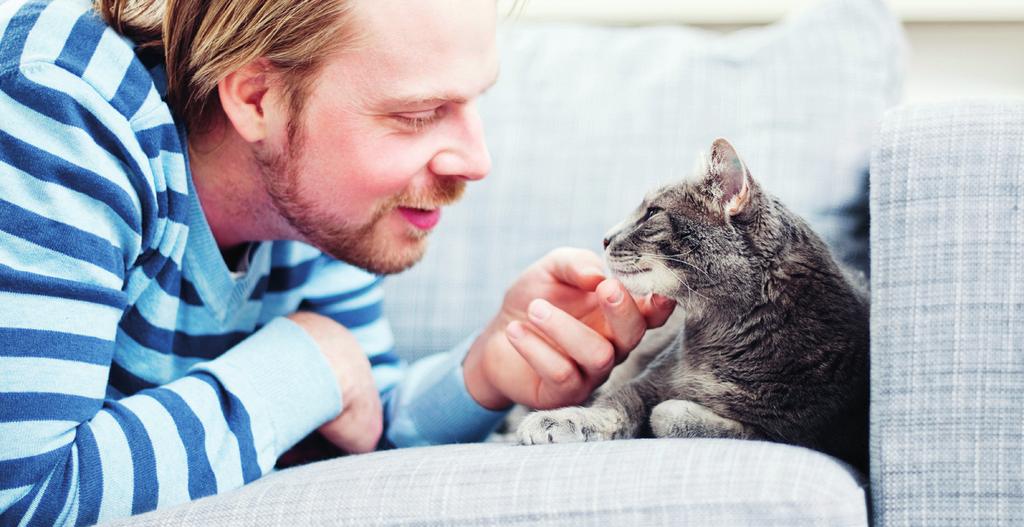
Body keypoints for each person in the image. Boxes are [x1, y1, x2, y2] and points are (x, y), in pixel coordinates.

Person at [0, 0, 675, 524]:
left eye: (473, 102)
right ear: (257, 97)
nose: (477, 160)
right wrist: (301, 358)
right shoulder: (66, 107)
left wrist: (488, 368)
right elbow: (20, 492)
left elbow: (354, 416)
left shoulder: (318, 199)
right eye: (417, 114)